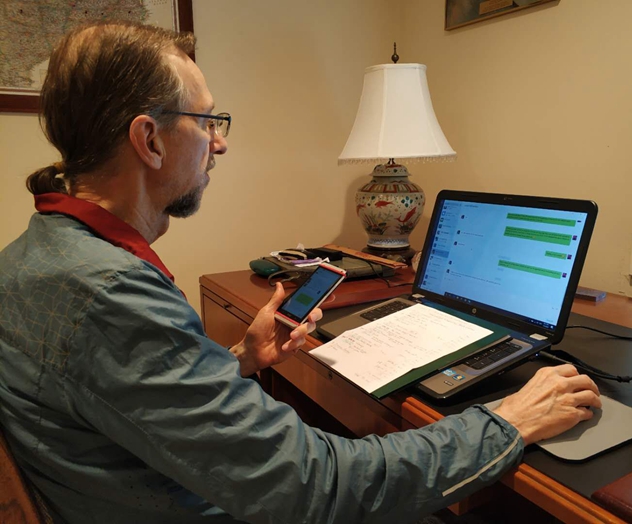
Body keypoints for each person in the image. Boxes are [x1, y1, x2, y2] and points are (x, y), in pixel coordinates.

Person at [0, 21, 601, 524]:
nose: (219, 144)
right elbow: (316, 486)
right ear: (149, 140)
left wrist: (238, 360)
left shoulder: (38, 256)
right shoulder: (111, 294)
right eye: (207, 121)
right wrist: (505, 423)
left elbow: (124, 395)